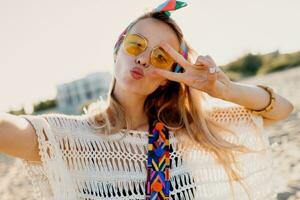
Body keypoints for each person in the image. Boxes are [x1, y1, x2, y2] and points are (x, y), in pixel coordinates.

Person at [0, 0, 294, 199]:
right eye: (136, 44)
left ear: (169, 75)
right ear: (118, 51)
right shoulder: (72, 138)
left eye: (160, 56)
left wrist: (224, 90)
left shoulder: (189, 130)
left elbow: (283, 109)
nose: (142, 58)